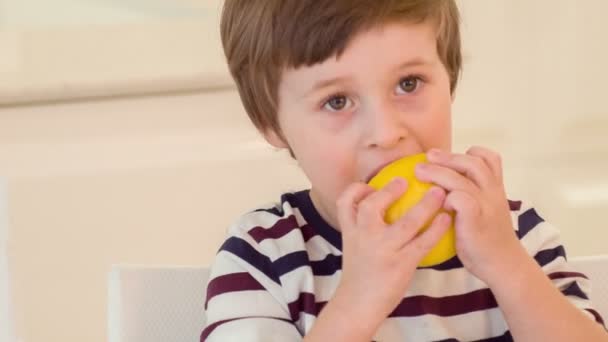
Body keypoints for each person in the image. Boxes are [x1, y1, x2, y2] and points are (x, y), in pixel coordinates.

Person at [201, 1, 607, 341]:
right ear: (271, 125)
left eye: (409, 83)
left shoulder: (513, 231)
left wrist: (507, 265)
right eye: (338, 101)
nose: (387, 133)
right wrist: (358, 300)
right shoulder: (262, 257)